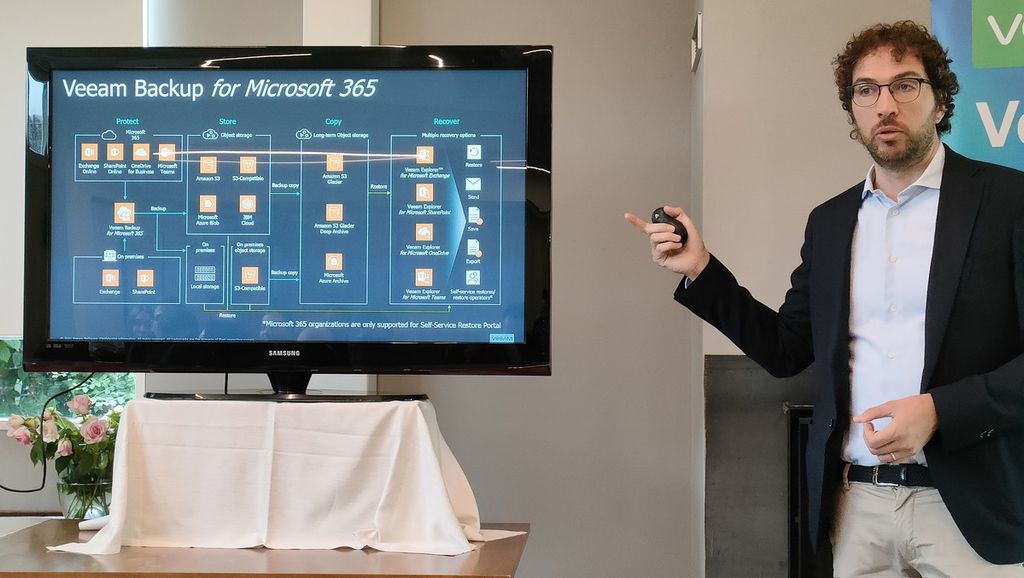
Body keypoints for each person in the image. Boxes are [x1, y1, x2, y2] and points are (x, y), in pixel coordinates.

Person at [626, 21, 1024, 576]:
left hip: (973, 509)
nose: (885, 104)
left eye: (905, 84)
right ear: (853, 110)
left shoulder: (1008, 202)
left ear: (939, 102)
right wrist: (701, 270)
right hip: (857, 508)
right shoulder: (831, 222)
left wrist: (941, 411)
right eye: (867, 90)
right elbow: (787, 348)